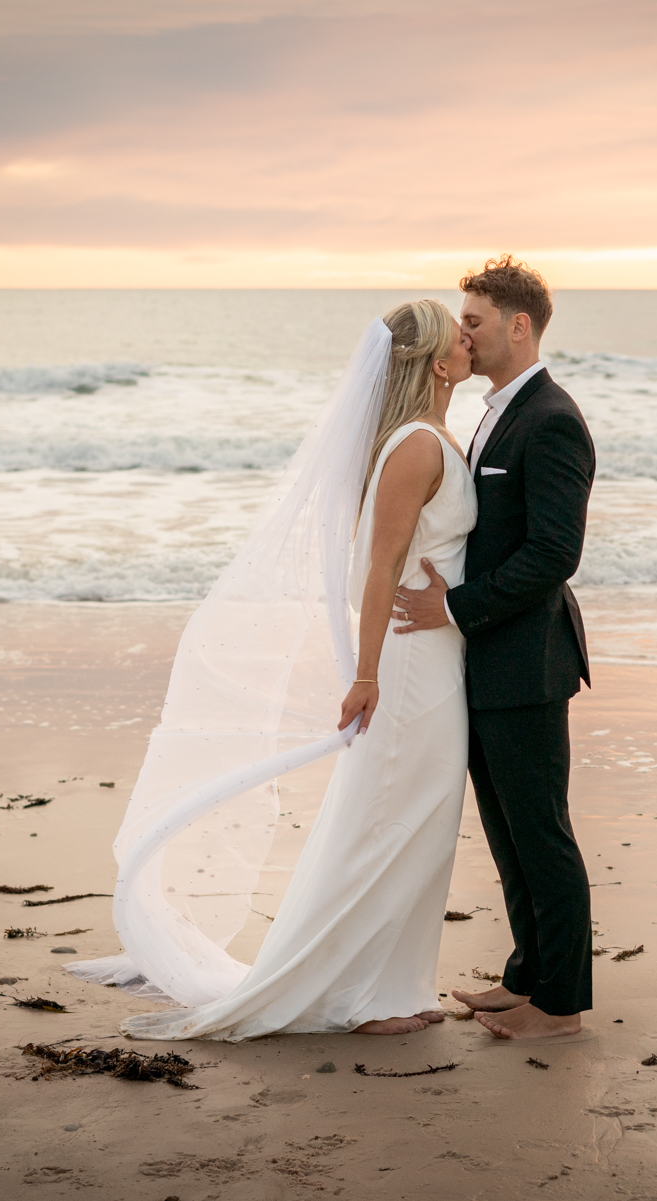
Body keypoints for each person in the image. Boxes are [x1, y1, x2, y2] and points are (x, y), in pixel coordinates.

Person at [67, 297, 479, 1039]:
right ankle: (357, 995)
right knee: (386, 821)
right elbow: (380, 566)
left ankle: (398, 983)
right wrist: (368, 675)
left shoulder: (429, 435)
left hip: (438, 654)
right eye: (459, 336)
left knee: (421, 822)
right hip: (411, 664)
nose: (470, 340)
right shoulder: (417, 443)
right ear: (438, 363)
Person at [394, 255, 597, 1040]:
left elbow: (554, 553)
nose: (462, 333)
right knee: (508, 833)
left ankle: (562, 1007)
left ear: (519, 325)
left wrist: (456, 606)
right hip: (490, 663)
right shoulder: (495, 412)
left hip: (527, 664)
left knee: (541, 832)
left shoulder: (552, 418)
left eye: (473, 320)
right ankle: (527, 978)